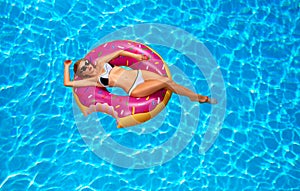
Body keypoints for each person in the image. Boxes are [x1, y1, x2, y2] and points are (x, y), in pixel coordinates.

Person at [64, 50, 217, 104]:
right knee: (165, 81)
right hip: (134, 88)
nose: (88, 67)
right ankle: (194, 96)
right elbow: (68, 83)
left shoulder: (101, 63)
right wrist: (66, 67)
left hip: (139, 74)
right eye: (84, 68)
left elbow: (120, 52)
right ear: (82, 74)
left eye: (87, 63)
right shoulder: (93, 80)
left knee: (167, 81)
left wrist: (136, 56)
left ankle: (192, 97)